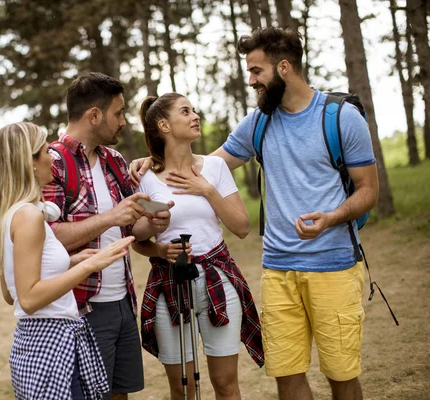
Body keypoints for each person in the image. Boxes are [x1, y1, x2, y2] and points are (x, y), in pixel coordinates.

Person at [131, 27, 378, 400]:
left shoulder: (341, 117)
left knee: (341, 375)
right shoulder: (258, 122)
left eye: (256, 72)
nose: (251, 81)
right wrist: (155, 162)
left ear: (283, 68)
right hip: (278, 270)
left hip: (334, 266)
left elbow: (368, 190)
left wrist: (331, 218)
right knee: (286, 375)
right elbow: (202, 166)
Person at [42, 72, 172, 400]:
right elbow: (47, 238)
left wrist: (153, 222)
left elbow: (130, 229)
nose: (124, 122)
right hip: (83, 308)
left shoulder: (113, 160)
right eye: (118, 113)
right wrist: (111, 216)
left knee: (120, 395)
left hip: (122, 301)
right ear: (95, 115)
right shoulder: (52, 163)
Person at [131, 93, 264, 400]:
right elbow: (136, 238)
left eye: (194, 109)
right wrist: (159, 247)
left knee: (226, 385)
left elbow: (242, 227)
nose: (195, 116)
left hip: (218, 280)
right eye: (186, 111)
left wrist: (207, 190)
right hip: (169, 284)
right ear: (164, 125)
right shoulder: (145, 175)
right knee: (182, 389)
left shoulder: (215, 167)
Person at [0, 121, 135, 399]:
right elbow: (29, 299)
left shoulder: (12, 214)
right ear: (29, 163)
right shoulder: (30, 217)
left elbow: (11, 291)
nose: (53, 157)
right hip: (52, 344)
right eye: (45, 151)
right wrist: (89, 265)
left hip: (33, 345)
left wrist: (70, 261)